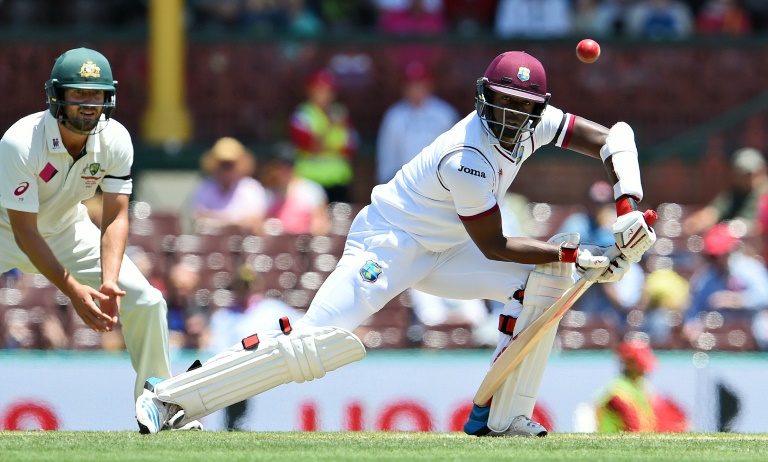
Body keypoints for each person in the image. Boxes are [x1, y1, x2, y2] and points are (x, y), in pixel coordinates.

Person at [136, 51, 657, 437]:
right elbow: (495, 244)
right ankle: (171, 400)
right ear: (484, 97)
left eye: (521, 107)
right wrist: (578, 255)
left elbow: (616, 137)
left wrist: (628, 208)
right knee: (315, 341)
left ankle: (500, 418)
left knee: (546, 282)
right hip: (389, 243)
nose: (508, 116)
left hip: (448, 248)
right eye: (500, 102)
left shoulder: (534, 123)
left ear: (536, 108)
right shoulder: (467, 156)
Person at [0, 47, 200, 432]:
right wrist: (74, 289)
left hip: (67, 231)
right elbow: (24, 231)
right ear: (56, 96)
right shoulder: (20, 141)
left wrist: (108, 279)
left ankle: (160, 406)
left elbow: (115, 216)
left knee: (146, 300)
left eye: (97, 95)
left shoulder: (116, 139)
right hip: (7, 230)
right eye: (79, 94)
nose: (89, 105)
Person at [682, 223, 768, 345]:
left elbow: (764, 297)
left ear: (731, 250)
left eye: (720, 254)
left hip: (751, 325)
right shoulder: (705, 278)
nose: (717, 259)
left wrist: (738, 301)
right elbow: (695, 312)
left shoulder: (749, 268)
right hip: (716, 336)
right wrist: (692, 326)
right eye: (713, 256)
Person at [376, 61, 460, 185]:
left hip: (438, 182)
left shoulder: (445, 114)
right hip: (404, 183)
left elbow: (455, 151)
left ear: (429, 85)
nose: (415, 90)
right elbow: (387, 153)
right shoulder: (394, 115)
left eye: (420, 85)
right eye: (411, 85)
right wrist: (386, 181)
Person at [288, 69, 358, 203]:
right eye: (319, 90)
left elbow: (350, 147)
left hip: (338, 180)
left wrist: (326, 146)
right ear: (310, 91)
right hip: (311, 180)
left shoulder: (341, 113)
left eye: (328, 90)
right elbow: (310, 145)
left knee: (339, 220)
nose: (324, 95)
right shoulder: (302, 116)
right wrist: (330, 128)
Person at [595, 340, 688, 432]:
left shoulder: (643, 385)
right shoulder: (616, 390)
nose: (644, 370)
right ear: (628, 364)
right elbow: (631, 423)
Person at [190, 137, 267, 235]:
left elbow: (255, 222)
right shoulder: (205, 186)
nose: (227, 169)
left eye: (230, 164)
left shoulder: (252, 188)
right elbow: (198, 219)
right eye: (223, 164)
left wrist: (216, 220)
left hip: (244, 245)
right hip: (212, 244)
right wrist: (236, 222)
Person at [684, 147, 768, 237]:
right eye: (743, 174)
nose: (749, 178)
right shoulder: (735, 193)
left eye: (751, 174)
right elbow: (714, 211)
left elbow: (756, 226)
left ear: (762, 171)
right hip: (735, 243)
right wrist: (698, 222)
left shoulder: (764, 193)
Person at [260, 145, 330, 236]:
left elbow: (321, 224)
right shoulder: (266, 193)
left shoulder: (311, 190)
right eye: (279, 166)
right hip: (274, 245)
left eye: (288, 166)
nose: (284, 170)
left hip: (303, 245)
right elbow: (259, 224)